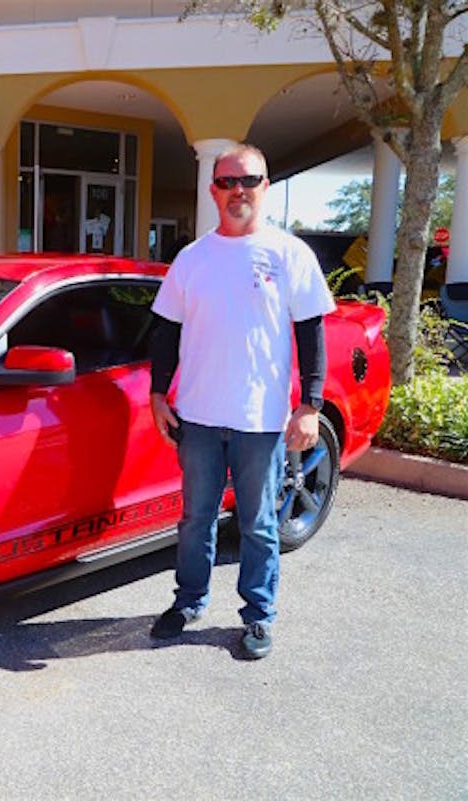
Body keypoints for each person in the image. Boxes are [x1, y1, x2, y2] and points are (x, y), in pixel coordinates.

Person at [147, 143, 334, 659]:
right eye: (227, 182)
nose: (238, 191)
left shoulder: (288, 254)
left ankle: (258, 616)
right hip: (200, 418)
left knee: (257, 524)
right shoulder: (192, 258)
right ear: (213, 191)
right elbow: (165, 330)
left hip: (260, 420)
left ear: (265, 187)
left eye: (248, 181)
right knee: (195, 519)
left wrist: (311, 404)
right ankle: (188, 602)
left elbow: (311, 332)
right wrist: (158, 393)